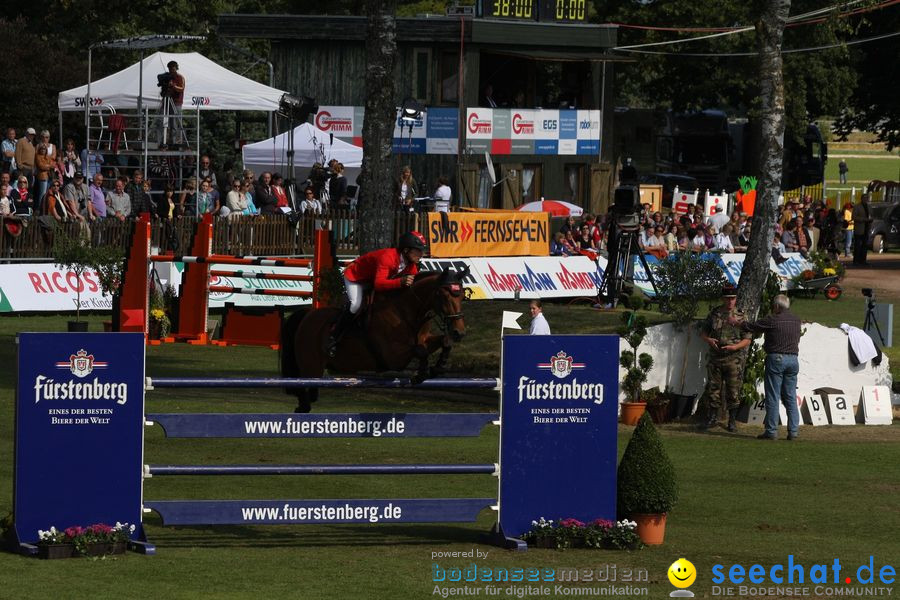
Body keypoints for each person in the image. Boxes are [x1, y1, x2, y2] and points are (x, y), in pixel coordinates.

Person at [326, 231, 427, 357]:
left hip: (372, 279)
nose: (421, 254)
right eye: (418, 251)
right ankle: (333, 337)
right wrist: (400, 282)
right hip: (356, 278)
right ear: (406, 250)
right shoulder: (388, 257)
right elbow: (379, 284)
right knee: (355, 305)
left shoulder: (411, 264)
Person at [742, 294, 802, 440]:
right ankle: (793, 432)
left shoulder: (772, 319)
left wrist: (738, 323)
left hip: (776, 358)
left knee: (773, 395)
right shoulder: (796, 320)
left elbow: (753, 326)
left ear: (776, 306)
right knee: (790, 397)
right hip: (793, 360)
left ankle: (771, 431)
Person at [699, 284, 752, 432]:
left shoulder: (741, 315)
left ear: (736, 299)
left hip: (734, 359)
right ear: (723, 299)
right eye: (727, 299)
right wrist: (708, 340)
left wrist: (735, 347)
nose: (730, 302)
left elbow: (747, 339)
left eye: (733, 299)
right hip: (716, 358)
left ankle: (732, 421)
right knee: (713, 389)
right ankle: (712, 418)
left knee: (733, 391)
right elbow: (703, 332)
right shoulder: (715, 313)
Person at [158, 60, 187, 145]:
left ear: (176, 68)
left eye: (173, 69)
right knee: (160, 120)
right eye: (170, 69)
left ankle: (174, 142)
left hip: (176, 103)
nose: (171, 70)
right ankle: (160, 141)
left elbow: (182, 88)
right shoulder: (167, 76)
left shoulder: (180, 77)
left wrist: (173, 86)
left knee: (174, 123)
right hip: (166, 100)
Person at [851, 193, 872, 266]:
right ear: (861, 198)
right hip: (859, 229)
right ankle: (856, 261)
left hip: (866, 229)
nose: (866, 199)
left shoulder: (869, 206)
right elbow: (853, 217)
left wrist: (870, 220)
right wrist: (864, 219)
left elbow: (870, 215)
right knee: (858, 245)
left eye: (867, 198)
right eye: (865, 198)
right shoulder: (857, 207)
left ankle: (863, 260)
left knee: (864, 245)